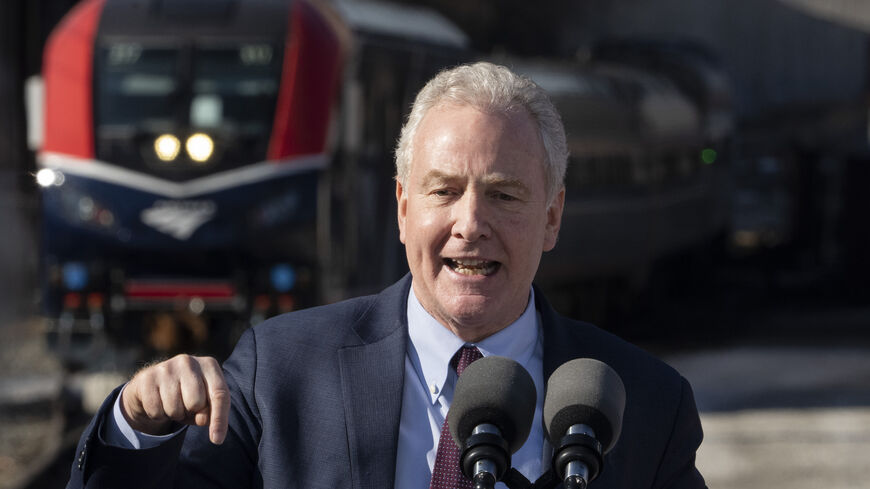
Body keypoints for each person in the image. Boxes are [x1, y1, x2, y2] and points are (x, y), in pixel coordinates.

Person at [66, 62, 707, 489]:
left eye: (505, 195)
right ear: (403, 209)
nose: (470, 223)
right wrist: (139, 423)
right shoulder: (281, 373)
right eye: (444, 191)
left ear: (552, 215)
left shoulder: (647, 405)